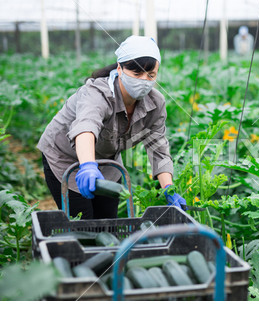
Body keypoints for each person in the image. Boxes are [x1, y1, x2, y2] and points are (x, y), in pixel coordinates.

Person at [37, 35, 186, 219]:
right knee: (83, 223)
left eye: (151, 75)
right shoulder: (97, 93)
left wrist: (168, 188)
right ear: (120, 69)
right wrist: (88, 166)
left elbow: (159, 150)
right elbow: (86, 128)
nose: (144, 80)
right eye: (137, 74)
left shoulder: (155, 102)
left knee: (108, 221)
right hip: (64, 158)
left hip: (107, 162)